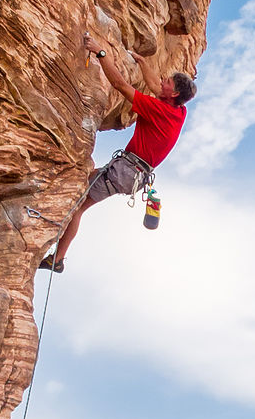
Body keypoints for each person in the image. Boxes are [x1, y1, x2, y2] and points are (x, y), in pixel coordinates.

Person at [40, 33, 196, 271]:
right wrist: (143, 63)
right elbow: (156, 86)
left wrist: (100, 52)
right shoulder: (178, 111)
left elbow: (120, 85)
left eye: (169, 82)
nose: (163, 80)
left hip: (126, 171)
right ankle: (58, 257)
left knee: (79, 204)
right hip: (130, 172)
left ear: (173, 94)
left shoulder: (159, 110)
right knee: (81, 184)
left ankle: (58, 259)